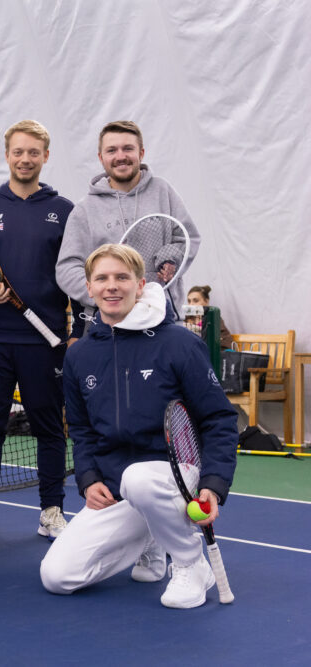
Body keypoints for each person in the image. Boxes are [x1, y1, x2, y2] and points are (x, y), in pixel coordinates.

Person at [40, 244, 238, 609]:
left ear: (140, 284)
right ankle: (152, 535)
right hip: (119, 487)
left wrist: (213, 484)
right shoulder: (79, 355)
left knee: (140, 479)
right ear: (89, 287)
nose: (112, 286)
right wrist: (89, 479)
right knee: (57, 577)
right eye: (102, 278)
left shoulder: (179, 343)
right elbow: (81, 429)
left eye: (122, 277)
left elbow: (219, 418)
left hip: (176, 474)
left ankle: (191, 564)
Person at [0, 120, 74, 542]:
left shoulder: (65, 211)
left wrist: (75, 328)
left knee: (49, 427)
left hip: (45, 340)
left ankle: (52, 510)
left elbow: (75, 272)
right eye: (18, 152)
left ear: (46, 156)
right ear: (7, 155)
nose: (25, 159)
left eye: (34, 152)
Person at [55, 120, 201, 322]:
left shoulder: (163, 191)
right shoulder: (84, 210)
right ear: (101, 157)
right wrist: (104, 294)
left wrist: (170, 259)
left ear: (141, 153)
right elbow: (67, 269)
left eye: (128, 148)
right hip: (109, 322)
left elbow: (187, 239)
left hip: (163, 316)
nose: (120, 156)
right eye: (111, 150)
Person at [186, 285, 233, 350]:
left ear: (206, 301)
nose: (191, 305)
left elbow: (222, 345)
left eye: (195, 301)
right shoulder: (189, 319)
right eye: (189, 301)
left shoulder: (213, 318)